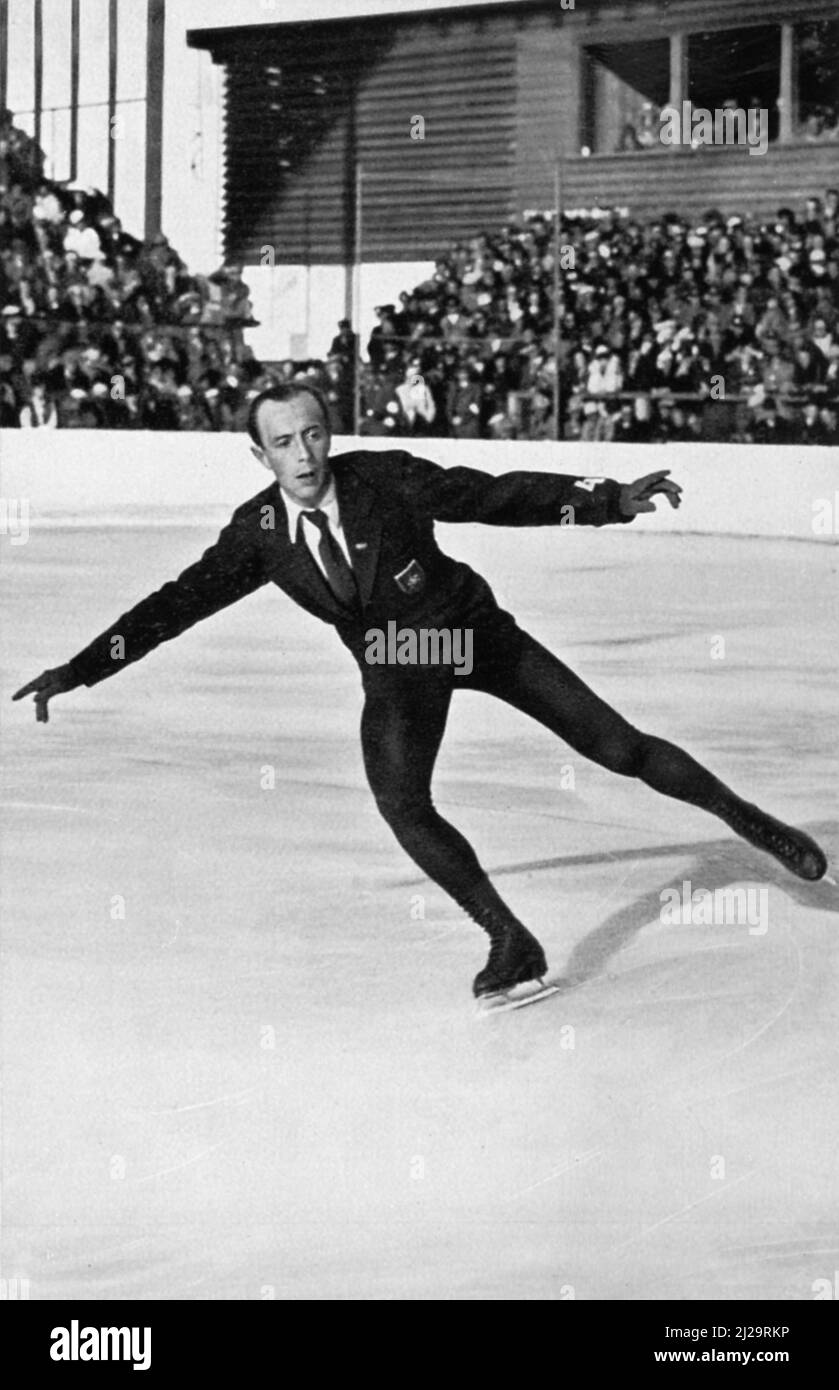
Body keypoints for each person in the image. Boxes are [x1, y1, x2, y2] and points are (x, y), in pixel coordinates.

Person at [13, 384, 828, 999]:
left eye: (313, 433)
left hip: (473, 635)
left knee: (617, 749)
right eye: (284, 443)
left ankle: (744, 819)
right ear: (259, 458)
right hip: (400, 666)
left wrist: (603, 501)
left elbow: (490, 494)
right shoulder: (256, 536)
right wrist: (83, 668)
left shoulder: (382, 479)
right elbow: (176, 603)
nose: (304, 454)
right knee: (402, 802)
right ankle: (511, 941)